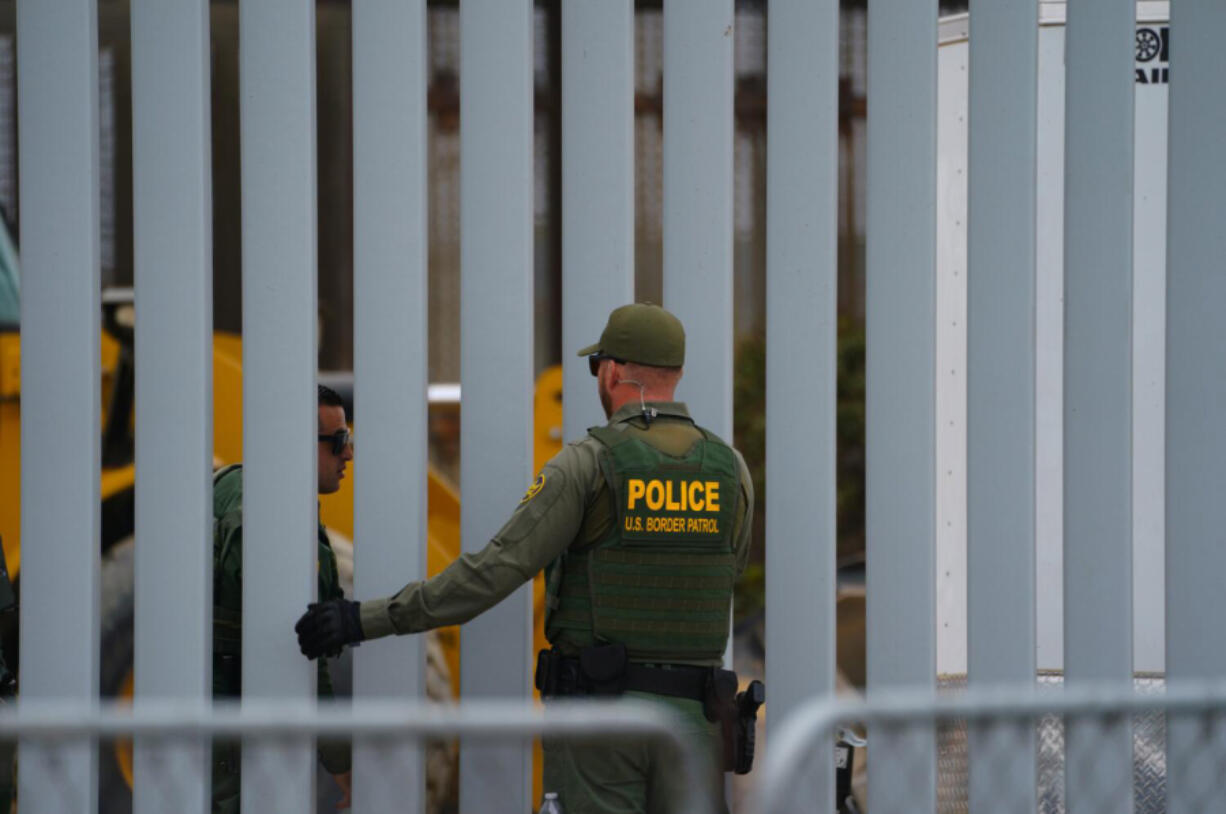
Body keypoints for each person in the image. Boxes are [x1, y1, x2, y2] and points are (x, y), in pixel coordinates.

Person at [296, 304, 756, 814]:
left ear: (614, 371)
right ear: (678, 373)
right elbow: (726, 571)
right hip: (697, 727)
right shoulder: (730, 469)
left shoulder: (589, 463)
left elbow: (491, 573)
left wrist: (362, 619)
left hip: (601, 732)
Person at [212, 384, 354, 813]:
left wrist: (340, 764)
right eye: (340, 442)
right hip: (229, 740)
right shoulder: (265, 516)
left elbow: (309, 648)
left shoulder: (244, 491)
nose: (348, 455)